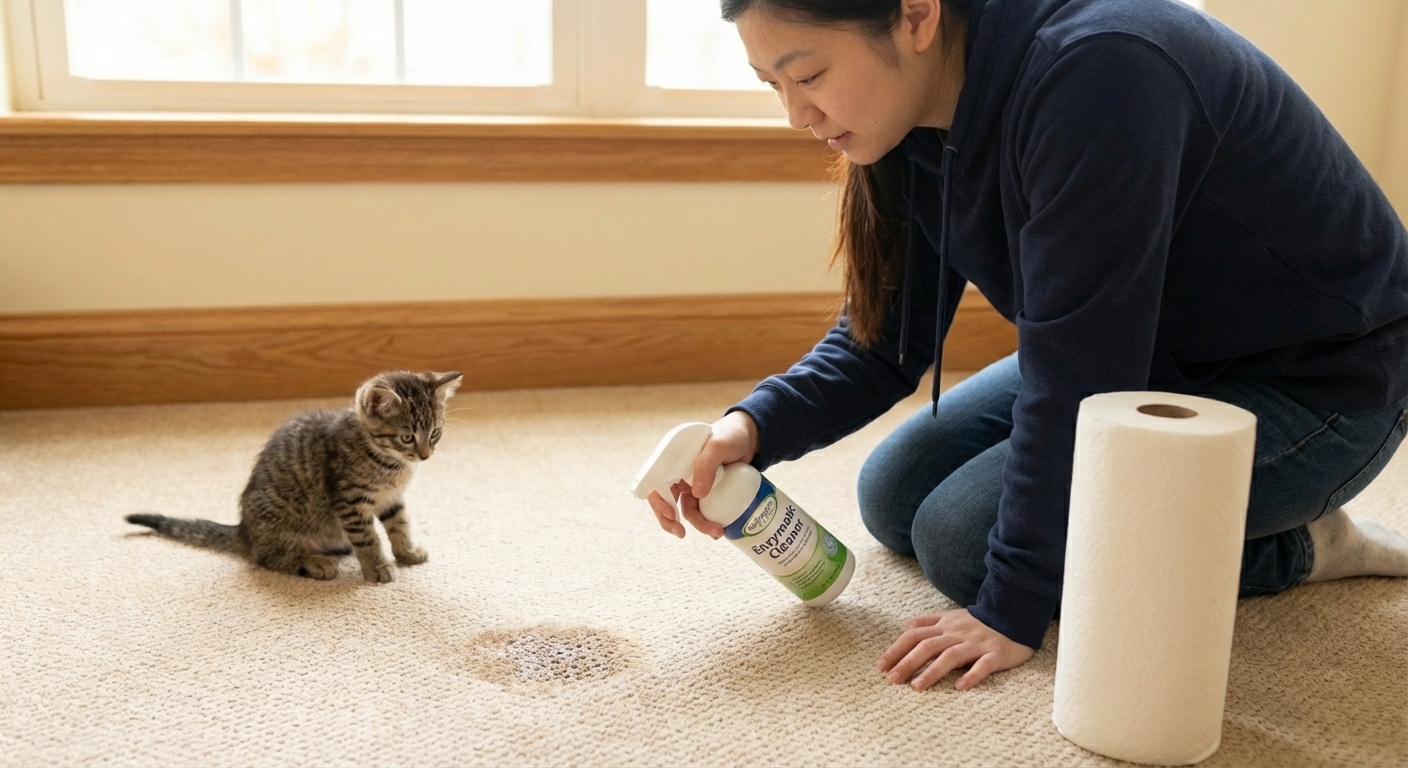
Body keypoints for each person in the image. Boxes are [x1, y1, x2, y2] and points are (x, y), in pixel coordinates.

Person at [645, 0, 1408, 691]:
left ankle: (1303, 545)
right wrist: (747, 430)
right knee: (895, 492)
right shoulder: (910, 118)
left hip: (1318, 383)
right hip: (1137, 353)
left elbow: (1077, 383)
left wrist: (1011, 609)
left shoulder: (1100, 74)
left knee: (966, 547)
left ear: (916, 16)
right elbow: (884, 343)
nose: (794, 115)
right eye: (769, 84)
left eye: (807, 74)